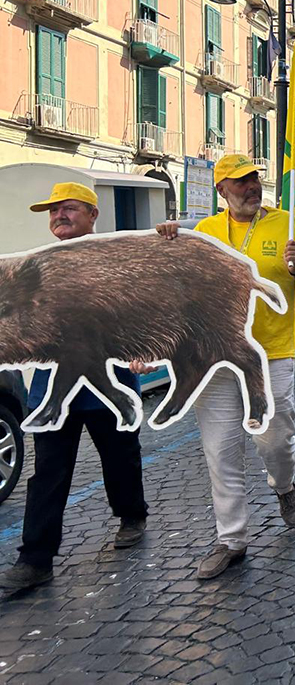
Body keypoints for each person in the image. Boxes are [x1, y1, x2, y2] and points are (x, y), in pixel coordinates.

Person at [154, 154, 295, 578]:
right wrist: (168, 237)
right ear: (221, 190)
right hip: (213, 355)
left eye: (254, 180)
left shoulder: (284, 222)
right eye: (240, 182)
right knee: (221, 448)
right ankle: (231, 540)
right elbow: (173, 281)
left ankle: (283, 485)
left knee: (274, 441)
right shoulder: (205, 232)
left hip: (271, 353)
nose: (251, 188)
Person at [0, 184, 149, 595]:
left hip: (109, 386)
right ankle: (35, 559)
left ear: (92, 215)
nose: (58, 216)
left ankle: (132, 515)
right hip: (51, 391)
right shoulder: (35, 267)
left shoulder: (116, 262)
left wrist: (143, 350)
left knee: (120, 460)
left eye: (68, 209)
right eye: (52, 212)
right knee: (47, 472)